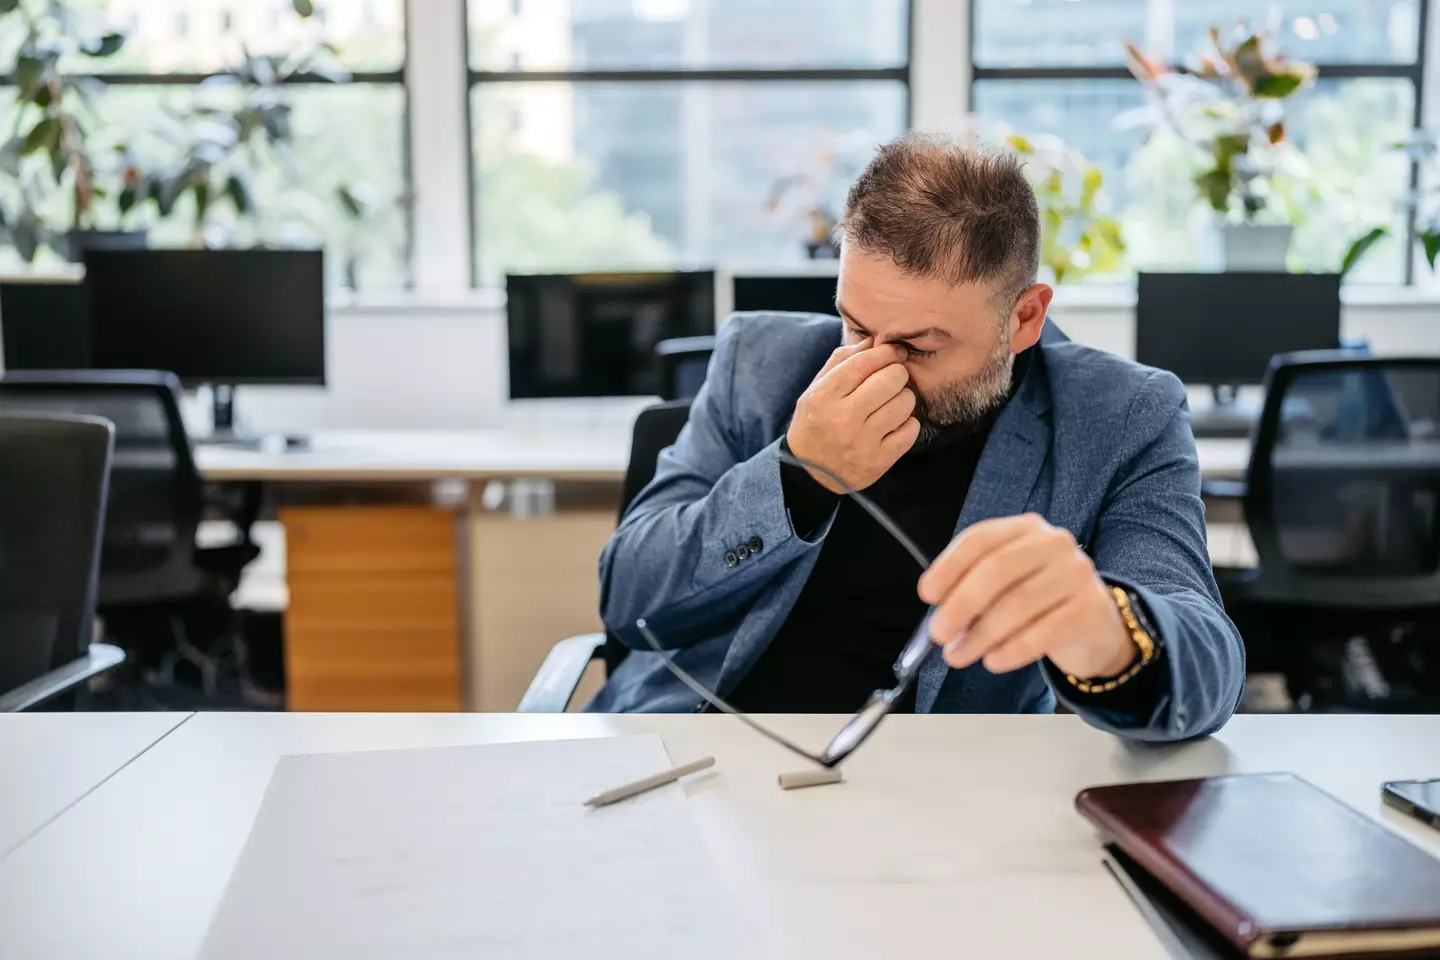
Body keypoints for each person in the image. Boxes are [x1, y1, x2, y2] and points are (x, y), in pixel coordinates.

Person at [587, 133, 1244, 741]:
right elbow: (630, 600)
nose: (870, 367)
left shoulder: (1121, 415)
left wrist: (1107, 629)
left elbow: (1207, 664)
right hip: (712, 749)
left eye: (919, 346)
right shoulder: (758, 363)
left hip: (940, 794)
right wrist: (796, 473)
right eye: (854, 326)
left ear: (1024, 318)